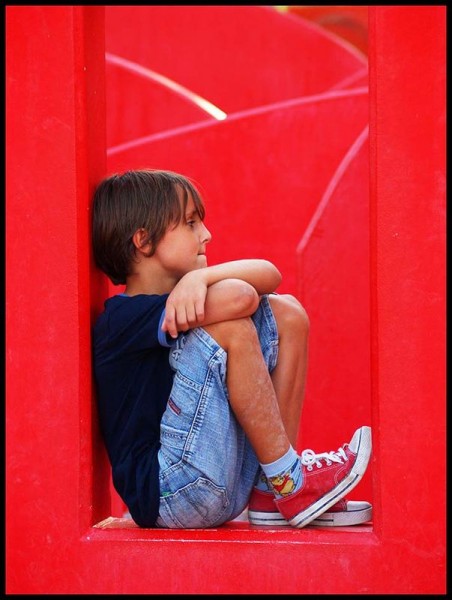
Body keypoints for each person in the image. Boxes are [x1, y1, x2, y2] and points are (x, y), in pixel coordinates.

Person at [91, 168, 372, 529]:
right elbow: (240, 297)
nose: (206, 234)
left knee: (288, 314)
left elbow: (270, 275)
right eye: (190, 223)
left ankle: (272, 491)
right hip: (171, 491)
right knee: (230, 327)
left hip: (210, 479)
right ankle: (289, 480)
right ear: (144, 241)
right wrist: (202, 280)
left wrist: (200, 276)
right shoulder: (121, 320)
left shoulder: (189, 295)